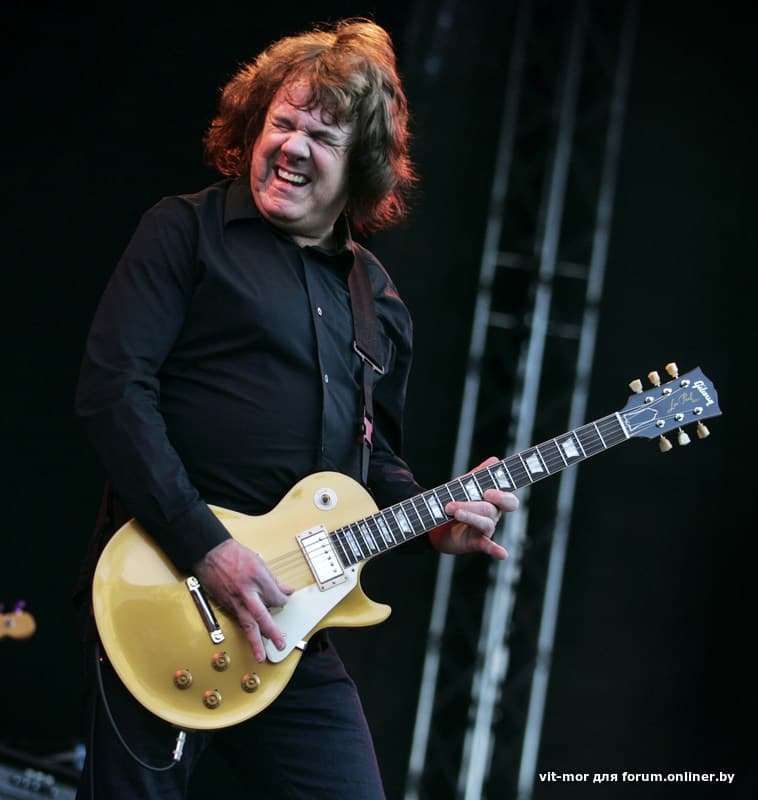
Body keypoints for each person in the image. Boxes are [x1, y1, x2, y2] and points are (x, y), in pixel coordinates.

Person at [72, 17, 519, 800]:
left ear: (362, 166)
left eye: (321, 136)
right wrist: (209, 548)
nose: (292, 147)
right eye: (282, 123)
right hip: (170, 589)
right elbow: (114, 393)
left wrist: (436, 522)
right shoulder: (184, 232)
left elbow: (370, 462)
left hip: (295, 621)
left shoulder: (378, 302)